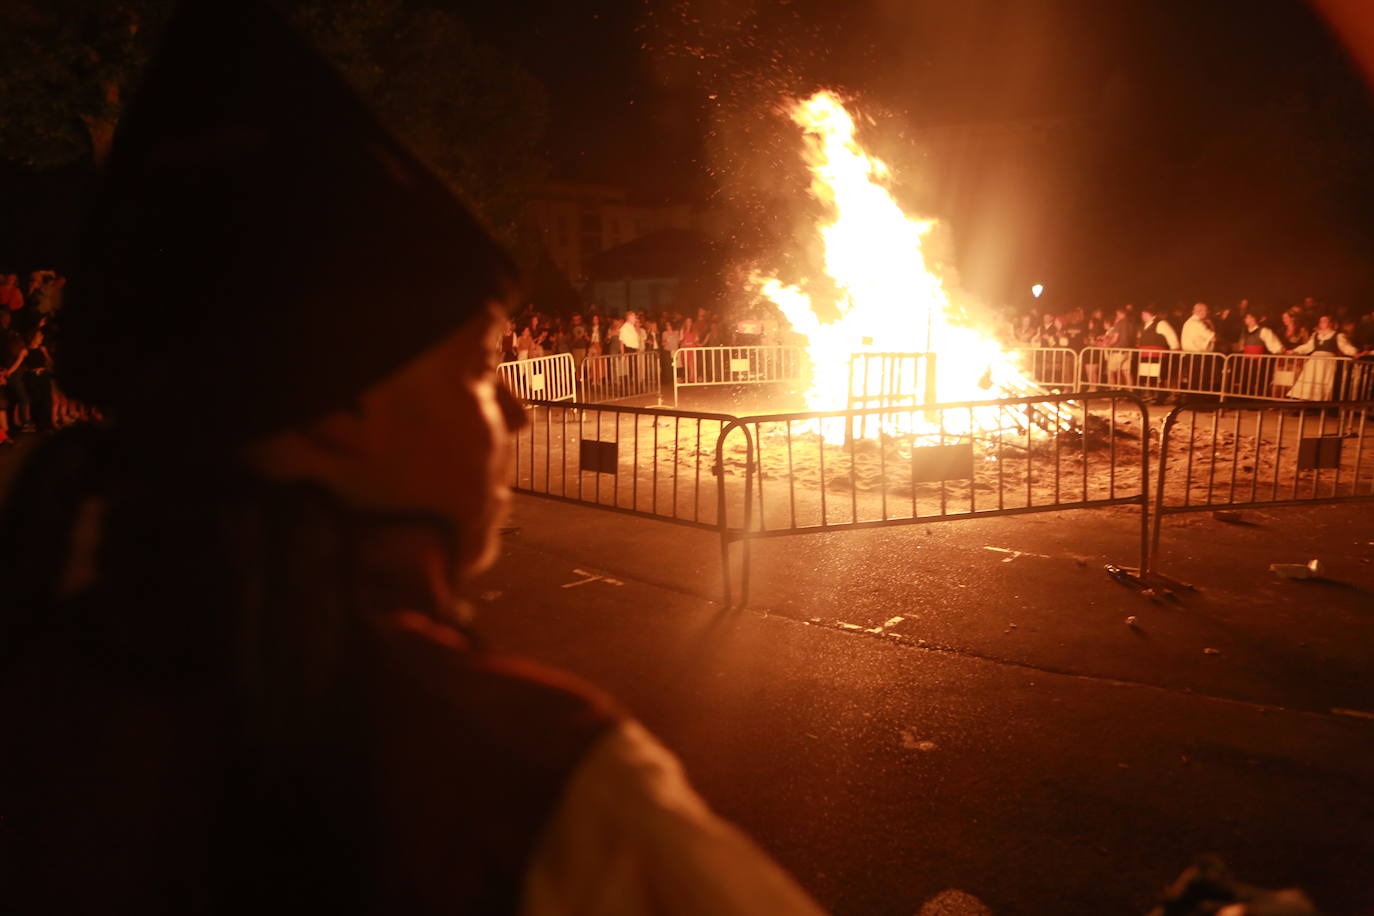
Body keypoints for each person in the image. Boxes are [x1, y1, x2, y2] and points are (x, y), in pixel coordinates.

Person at [0, 4, 824, 914]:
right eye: (478, 366)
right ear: (339, 408)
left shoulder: (45, 665)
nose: (515, 406)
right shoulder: (536, 782)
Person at [1288, 314, 1360, 400]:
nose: (1322, 323)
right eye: (1321, 321)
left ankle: (1319, 403)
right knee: (1310, 381)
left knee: (1323, 381)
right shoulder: (1315, 335)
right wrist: (1295, 351)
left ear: (1330, 323)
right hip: (1314, 362)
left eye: (1325, 321)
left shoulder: (1337, 335)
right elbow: (1308, 347)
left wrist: (1354, 352)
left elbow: (1345, 347)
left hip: (1327, 362)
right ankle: (1304, 402)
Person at [1137, 305, 1179, 398]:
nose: (1142, 316)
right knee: (1148, 376)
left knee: (1158, 377)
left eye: (1143, 314)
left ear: (1149, 314)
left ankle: (1160, 396)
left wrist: (1174, 349)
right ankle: (1151, 395)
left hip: (1157, 355)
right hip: (1145, 355)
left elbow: (1171, 337)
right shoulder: (1143, 325)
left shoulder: (1161, 323)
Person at [1180, 302, 1218, 394]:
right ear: (1200, 311)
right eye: (1206, 310)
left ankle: (1192, 401)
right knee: (1201, 380)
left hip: (1190, 354)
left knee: (1193, 380)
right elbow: (1213, 338)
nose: (1207, 313)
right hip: (1199, 356)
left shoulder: (1188, 322)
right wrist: (1211, 325)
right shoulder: (1198, 324)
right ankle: (1199, 402)